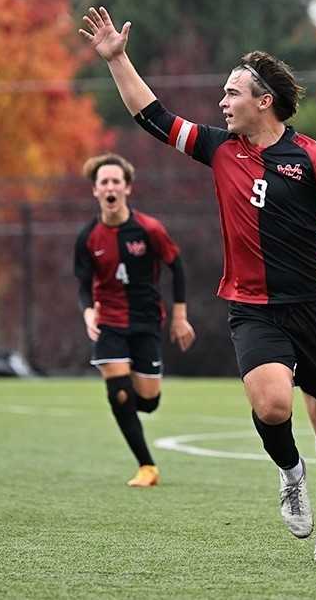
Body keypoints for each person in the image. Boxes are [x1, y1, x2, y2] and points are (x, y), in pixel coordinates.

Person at [79, 6, 316, 562]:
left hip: (315, 305)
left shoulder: (310, 156)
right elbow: (153, 116)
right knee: (271, 407)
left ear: (263, 101)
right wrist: (118, 59)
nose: (222, 102)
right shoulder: (220, 148)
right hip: (252, 307)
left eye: (232, 92)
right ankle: (291, 474)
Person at [74, 152, 196, 488]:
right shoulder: (87, 237)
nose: (110, 187)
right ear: (95, 191)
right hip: (109, 322)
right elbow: (83, 285)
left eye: (116, 181)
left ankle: (138, 400)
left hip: (146, 322)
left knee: (148, 401)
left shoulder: (149, 229)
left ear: (127, 188)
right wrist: (88, 310)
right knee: (120, 395)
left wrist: (180, 316)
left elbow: (177, 265)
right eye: (104, 182)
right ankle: (147, 466)